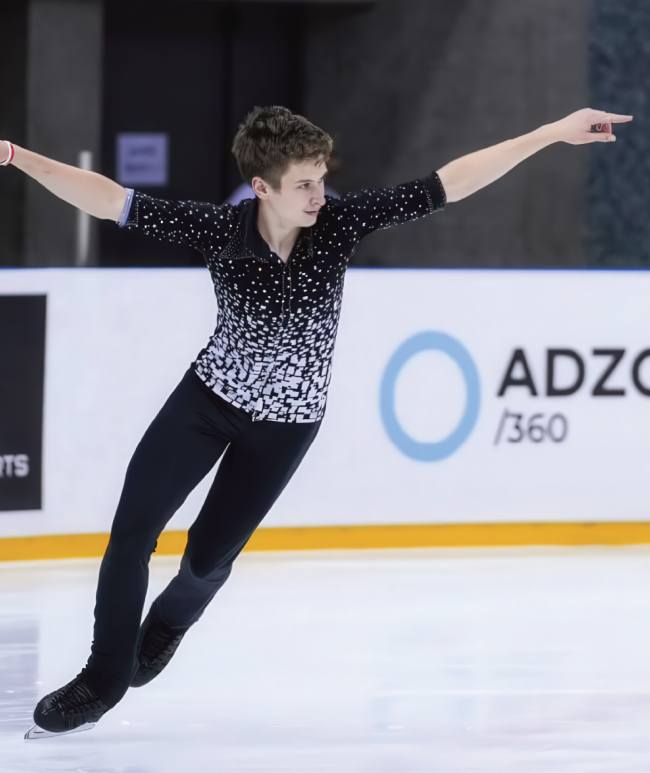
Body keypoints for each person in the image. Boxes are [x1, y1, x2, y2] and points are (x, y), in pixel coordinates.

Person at [0, 104, 631, 737]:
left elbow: (448, 183)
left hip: (285, 427)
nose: (319, 195)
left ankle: (167, 623)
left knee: (205, 561)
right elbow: (110, 199)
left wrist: (548, 133)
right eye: (304, 183)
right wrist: (16, 156)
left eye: (321, 178)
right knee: (132, 532)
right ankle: (101, 680)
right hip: (207, 402)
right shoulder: (220, 231)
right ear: (262, 188)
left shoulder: (340, 224)